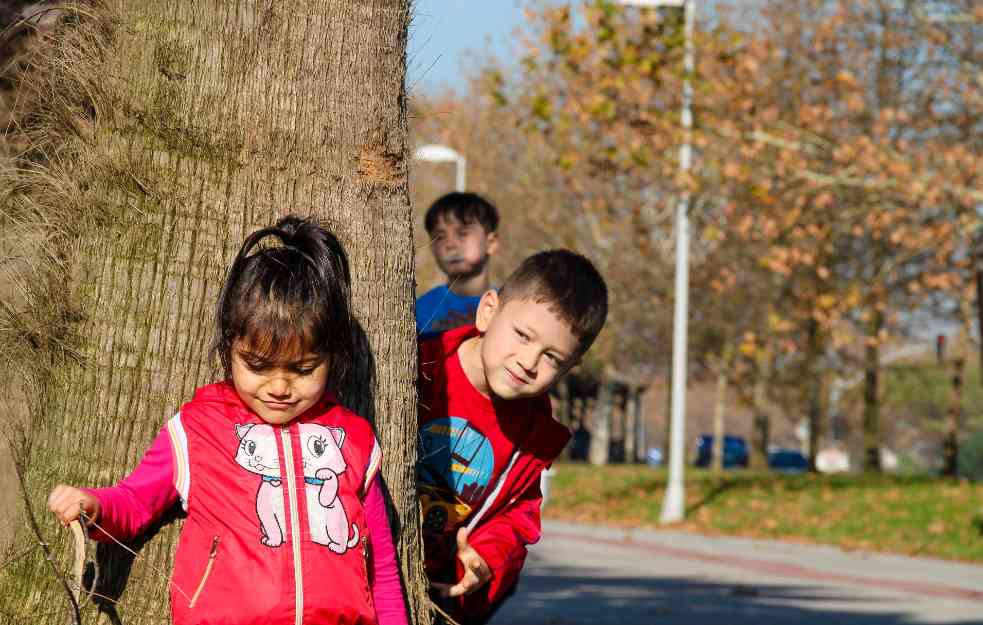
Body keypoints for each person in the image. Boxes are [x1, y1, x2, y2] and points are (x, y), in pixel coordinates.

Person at [48, 217, 407, 625]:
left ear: (332, 359)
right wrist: (94, 507)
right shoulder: (198, 428)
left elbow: (382, 571)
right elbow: (135, 501)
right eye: (257, 365)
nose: (279, 387)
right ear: (229, 348)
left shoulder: (353, 439)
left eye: (303, 369)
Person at [416, 249, 608, 625]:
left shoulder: (533, 432)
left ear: (571, 366)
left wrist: (486, 557)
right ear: (489, 311)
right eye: (522, 335)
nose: (528, 361)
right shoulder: (421, 366)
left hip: (441, 591)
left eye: (552, 357)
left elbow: (518, 516)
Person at [416, 192, 499, 337]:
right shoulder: (421, 310)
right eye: (440, 237)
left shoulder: (506, 305)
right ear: (432, 247)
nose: (450, 244)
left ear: (491, 243)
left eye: (462, 233)